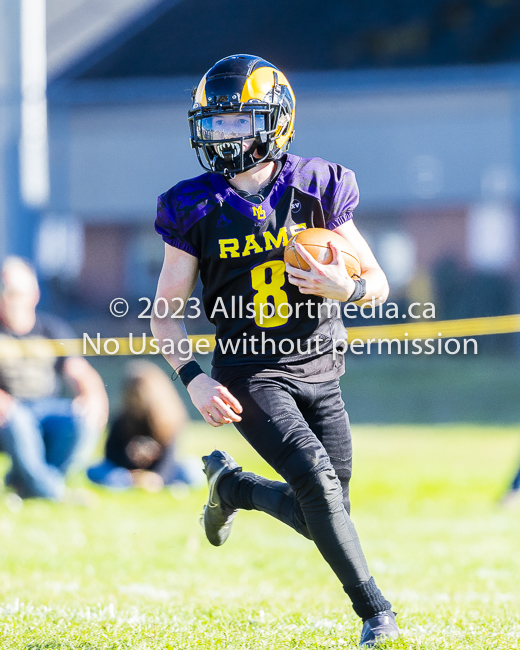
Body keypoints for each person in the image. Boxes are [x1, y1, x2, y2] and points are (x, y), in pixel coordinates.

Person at [152, 54, 399, 646]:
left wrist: (349, 287)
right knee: (317, 485)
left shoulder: (318, 187)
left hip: (321, 366)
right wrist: (192, 376)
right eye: (213, 124)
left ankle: (232, 488)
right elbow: (165, 311)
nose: (223, 135)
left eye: (238, 122)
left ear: (275, 122)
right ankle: (377, 612)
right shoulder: (194, 205)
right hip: (249, 372)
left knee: (326, 509)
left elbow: (381, 283)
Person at [0, 256, 108, 500]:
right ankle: (56, 494)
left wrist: (93, 395)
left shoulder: (52, 329)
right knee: (18, 421)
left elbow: (79, 371)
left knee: (81, 419)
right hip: (10, 412)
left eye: (18, 292)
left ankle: (25, 482)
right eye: (6, 291)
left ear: (34, 294)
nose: (12, 299)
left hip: (46, 407)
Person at [87, 360, 202, 491]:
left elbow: (169, 458)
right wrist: (133, 473)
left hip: (160, 474)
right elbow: (111, 455)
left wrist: (157, 477)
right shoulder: (122, 419)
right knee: (95, 470)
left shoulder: (168, 419)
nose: (136, 397)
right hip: (127, 474)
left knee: (192, 469)